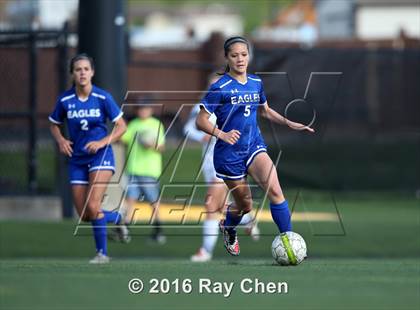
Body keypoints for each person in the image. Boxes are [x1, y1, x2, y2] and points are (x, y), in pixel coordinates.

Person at [196, 36, 314, 256]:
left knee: (276, 192)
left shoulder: (256, 82)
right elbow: (200, 121)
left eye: (243, 54)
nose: (240, 59)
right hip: (228, 155)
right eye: (234, 55)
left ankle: (289, 244)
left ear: (249, 56)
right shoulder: (219, 87)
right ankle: (229, 227)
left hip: (253, 147)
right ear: (227, 58)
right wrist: (222, 134)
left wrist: (289, 123)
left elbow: (264, 110)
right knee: (245, 206)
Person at [49, 53, 128, 263]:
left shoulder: (103, 97)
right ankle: (117, 218)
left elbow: (122, 126)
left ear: (92, 72)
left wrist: (102, 142)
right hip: (77, 159)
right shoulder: (65, 100)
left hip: (101, 156)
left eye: (86, 69)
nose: (82, 73)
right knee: (85, 214)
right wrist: (61, 140)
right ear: (73, 74)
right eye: (78, 69)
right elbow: (54, 124)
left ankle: (102, 254)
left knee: (93, 206)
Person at [184, 78, 260, 263]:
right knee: (219, 207)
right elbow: (189, 128)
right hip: (209, 164)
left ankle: (205, 251)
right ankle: (246, 217)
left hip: (226, 160)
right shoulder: (204, 105)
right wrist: (202, 136)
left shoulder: (235, 102)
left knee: (211, 205)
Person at [121, 101, 166, 244]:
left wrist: (150, 144)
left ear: (150, 110)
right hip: (133, 169)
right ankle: (125, 229)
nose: (142, 111)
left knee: (153, 201)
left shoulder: (156, 124)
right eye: (140, 108)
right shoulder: (133, 124)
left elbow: (161, 147)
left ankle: (158, 229)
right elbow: (123, 139)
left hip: (149, 170)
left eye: (145, 108)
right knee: (131, 199)